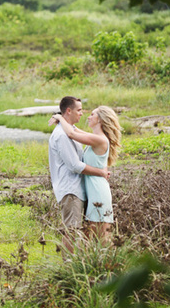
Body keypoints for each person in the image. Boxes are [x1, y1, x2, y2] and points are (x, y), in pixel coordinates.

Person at [50, 104, 122, 242]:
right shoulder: (96, 137)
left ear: (100, 119)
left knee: (101, 236)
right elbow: (74, 129)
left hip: (97, 190)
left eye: (92, 114)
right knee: (92, 235)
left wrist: (59, 116)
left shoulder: (99, 139)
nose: (88, 117)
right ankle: (99, 262)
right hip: (92, 189)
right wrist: (62, 118)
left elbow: (71, 133)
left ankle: (111, 262)